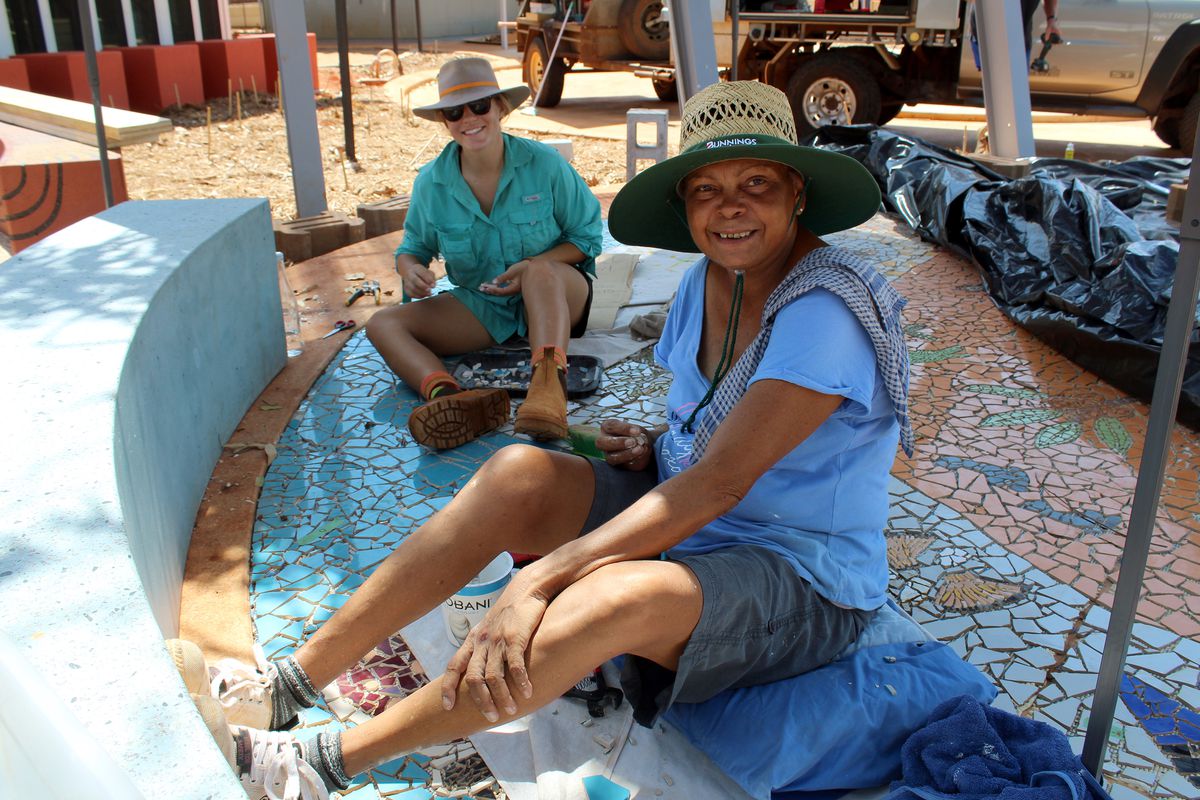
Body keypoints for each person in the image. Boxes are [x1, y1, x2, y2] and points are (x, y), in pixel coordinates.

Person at [176, 80, 913, 800]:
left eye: (756, 182)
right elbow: (724, 429)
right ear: (685, 203)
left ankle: (318, 766)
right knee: (518, 474)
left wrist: (543, 575)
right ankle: (288, 685)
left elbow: (721, 484)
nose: (730, 207)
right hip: (703, 520)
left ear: (797, 191)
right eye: (706, 188)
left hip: (800, 575)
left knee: (609, 598)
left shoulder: (826, 312)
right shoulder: (709, 279)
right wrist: (661, 442)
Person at [365, 57, 603, 449]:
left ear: (500, 108)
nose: (469, 118)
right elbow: (413, 249)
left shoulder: (544, 164)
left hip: (559, 296)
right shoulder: (431, 184)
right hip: (483, 306)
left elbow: (586, 238)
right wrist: (411, 271)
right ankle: (454, 400)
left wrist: (529, 267)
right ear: (444, 120)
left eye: (480, 106)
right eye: (455, 111)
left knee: (539, 271)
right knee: (382, 324)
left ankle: (548, 393)